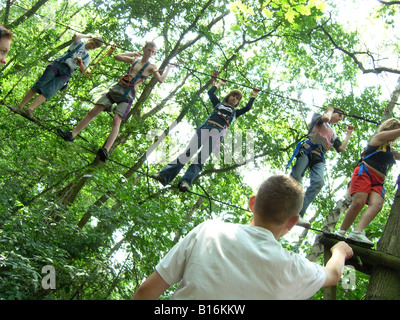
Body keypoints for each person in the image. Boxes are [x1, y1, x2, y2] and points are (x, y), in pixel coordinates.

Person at [132, 175, 353, 300]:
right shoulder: (294, 267)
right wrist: (340, 250)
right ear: (292, 222)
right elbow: (332, 274)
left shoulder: (209, 230)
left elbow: (145, 293)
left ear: (252, 203)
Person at [57, 41, 175, 162]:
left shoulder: (152, 67)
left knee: (116, 119)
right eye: (149, 50)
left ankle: (106, 150)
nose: (150, 53)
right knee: (94, 110)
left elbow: (160, 80)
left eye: (153, 52)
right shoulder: (134, 60)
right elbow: (117, 56)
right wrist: (133, 53)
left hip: (128, 93)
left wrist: (169, 69)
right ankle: (72, 134)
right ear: (144, 49)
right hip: (118, 87)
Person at [152, 79, 260, 191]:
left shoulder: (235, 113)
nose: (235, 99)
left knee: (201, 158)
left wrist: (253, 96)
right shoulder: (218, 104)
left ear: (238, 103)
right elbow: (210, 93)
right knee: (188, 153)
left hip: (217, 134)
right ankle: (164, 176)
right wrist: (219, 84)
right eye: (233, 95)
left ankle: (185, 181)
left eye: (237, 99)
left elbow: (247, 108)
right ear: (228, 96)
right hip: (204, 129)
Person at [336, 118, 400, 246]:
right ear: (390, 128)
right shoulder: (379, 137)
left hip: (378, 182)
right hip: (365, 172)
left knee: (377, 205)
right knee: (358, 202)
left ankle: (357, 232)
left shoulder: (389, 150)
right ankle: (341, 232)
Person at [289, 107, 354, 227]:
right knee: (296, 177)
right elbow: (325, 118)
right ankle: (286, 202)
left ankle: (298, 213)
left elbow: (341, 148)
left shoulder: (333, 134)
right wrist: (330, 110)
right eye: (339, 115)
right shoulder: (317, 117)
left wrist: (348, 135)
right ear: (332, 112)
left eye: (342, 118)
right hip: (307, 150)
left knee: (319, 182)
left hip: (319, 157)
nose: (340, 119)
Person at [14, 33, 103, 118]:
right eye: (92, 44)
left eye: (94, 47)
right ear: (90, 40)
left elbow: (84, 71)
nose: (91, 47)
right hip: (58, 64)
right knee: (39, 84)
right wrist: (87, 36)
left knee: (49, 91)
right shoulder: (79, 43)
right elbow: (76, 36)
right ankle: (20, 106)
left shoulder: (87, 57)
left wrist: (80, 62)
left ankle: (30, 109)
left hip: (67, 73)